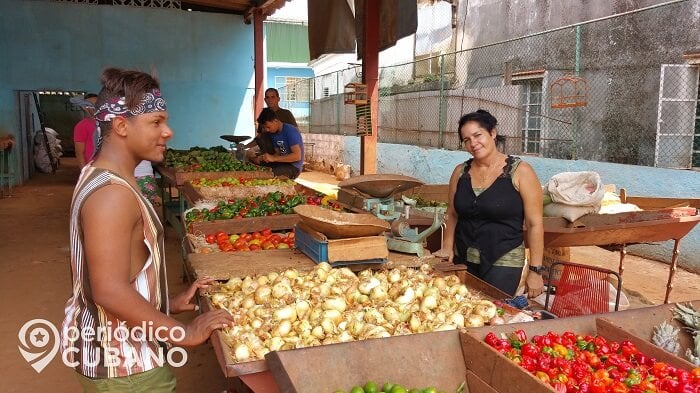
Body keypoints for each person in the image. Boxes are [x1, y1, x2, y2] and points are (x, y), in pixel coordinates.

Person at [62, 68, 233, 391]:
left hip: (124, 356)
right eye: (156, 122)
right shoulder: (111, 194)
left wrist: (168, 302)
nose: (168, 132)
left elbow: (119, 274)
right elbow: (108, 290)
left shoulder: (101, 177)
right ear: (122, 125)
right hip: (124, 366)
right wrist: (183, 333)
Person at [441, 109, 545, 297]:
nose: (473, 143)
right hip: (464, 257)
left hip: (504, 259)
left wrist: (535, 271)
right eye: (466, 140)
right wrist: (447, 247)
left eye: (477, 135)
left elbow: (534, 223)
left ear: (493, 133)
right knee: (463, 311)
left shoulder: (520, 172)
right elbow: (452, 213)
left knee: (492, 310)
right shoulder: (460, 173)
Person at [250, 108, 304, 179]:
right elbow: (278, 153)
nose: (267, 130)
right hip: (281, 163)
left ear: (275, 120)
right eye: (264, 127)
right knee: (256, 167)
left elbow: (297, 156)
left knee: (267, 176)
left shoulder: (290, 131)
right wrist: (264, 158)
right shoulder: (273, 133)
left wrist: (273, 158)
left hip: (293, 167)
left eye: (268, 127)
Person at [245, 88, 298, 155]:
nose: (270, 100)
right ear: (265, 100)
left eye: (273, 97)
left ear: (278, 99)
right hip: (266, 155)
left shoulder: (286, 114)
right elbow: (259, 137)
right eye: (267, 97)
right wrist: (245, 146)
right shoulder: (263, 114)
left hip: (282, 156)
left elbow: (296, 134)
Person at [71, 93, 98, 168]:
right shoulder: (81, 126)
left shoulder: (109, 123)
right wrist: (84, 172)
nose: (93, 107)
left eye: (96, 104)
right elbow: (79, 153)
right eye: (89, 105)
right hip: (91, 168)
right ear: (84, 108)